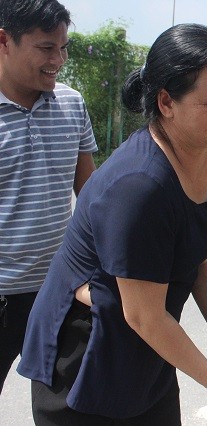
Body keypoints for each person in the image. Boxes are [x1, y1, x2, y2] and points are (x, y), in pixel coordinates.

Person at [17, 23, 207, 424]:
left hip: (150, 343)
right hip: (89, 352)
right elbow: (142, 316)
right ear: (167, 102)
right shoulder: (139, 186)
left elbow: (203, 262)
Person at [0, 0, 97, 393]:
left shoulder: (72, 104)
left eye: (64, 47)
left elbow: (90, 196)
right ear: (4, 41)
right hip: (3, 297)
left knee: (67, 403)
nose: (58, 59)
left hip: (61, 293)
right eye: (45, 48)